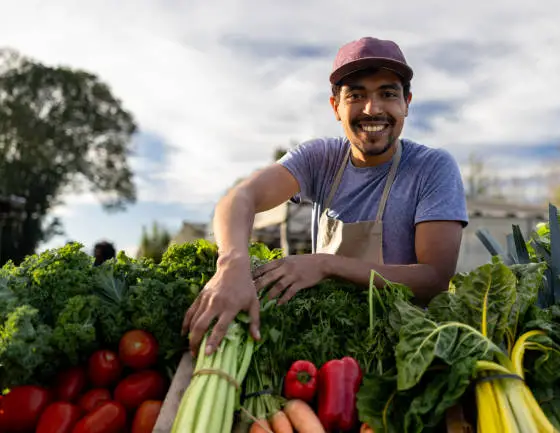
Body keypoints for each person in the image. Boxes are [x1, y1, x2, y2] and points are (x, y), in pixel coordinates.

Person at [183, 36, 469, 356]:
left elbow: (434, 278)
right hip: (324, 344)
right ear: (336, 107)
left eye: (387, 94)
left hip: (404, 349)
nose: (372, 109)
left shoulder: (432, 167)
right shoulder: (321, 159)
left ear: (406, 103)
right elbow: (241, 197)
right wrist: (232, 264)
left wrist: (326, 265)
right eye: (356, 95)